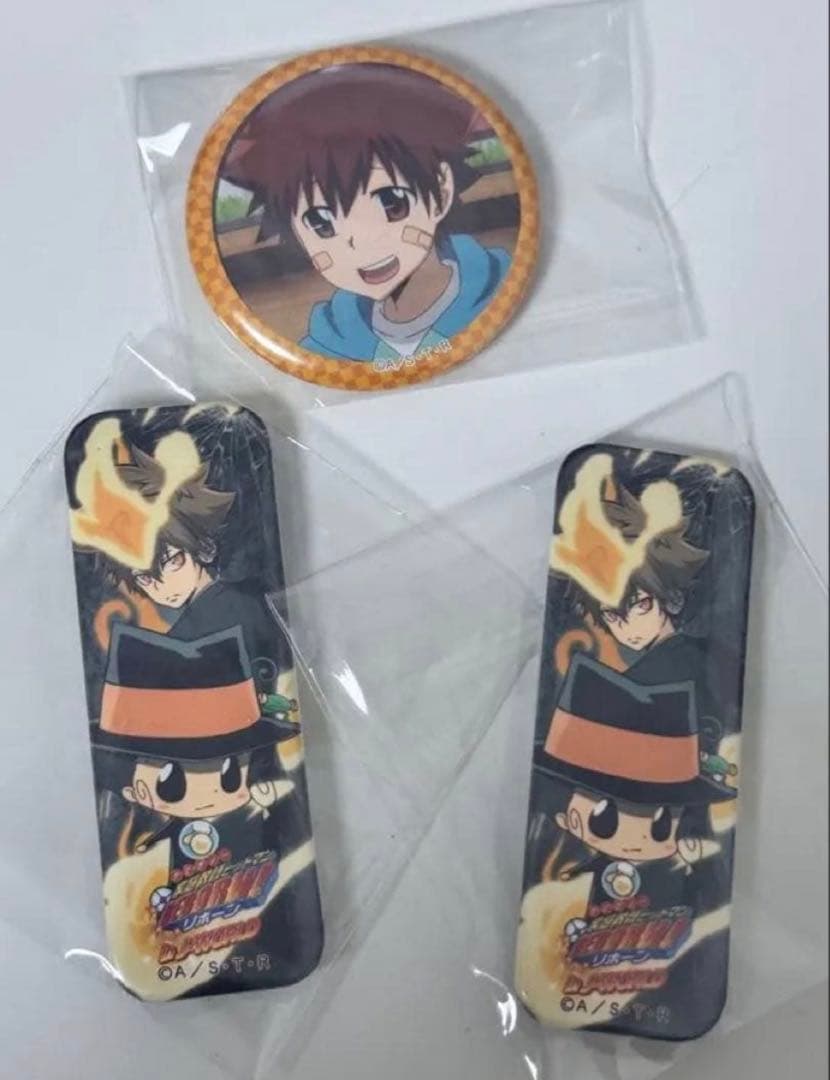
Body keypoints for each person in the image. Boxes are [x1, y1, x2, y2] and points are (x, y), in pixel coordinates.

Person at [222, 63, 512, 364]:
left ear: (442, 190)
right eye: (321, 223)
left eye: (392, 203)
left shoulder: (497, 287)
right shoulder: (328, 345)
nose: (359, 241)